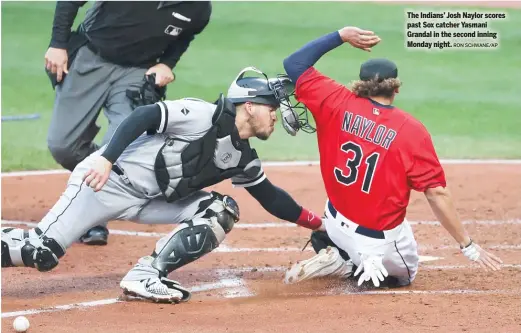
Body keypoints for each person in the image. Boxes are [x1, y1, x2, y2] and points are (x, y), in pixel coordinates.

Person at [1, 67, 326, 303]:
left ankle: (146, 275)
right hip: (106, 182)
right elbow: (143, 116)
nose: (276, 116)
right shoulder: (201, 115)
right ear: (250, 105)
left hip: (148, 201)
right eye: (272, 107)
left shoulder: (242, 157)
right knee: (40, 253)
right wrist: (106, 158)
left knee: (219, 210)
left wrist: (319, 224)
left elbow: (271, 198)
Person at [279, 26, 503, 288]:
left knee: (357, 213)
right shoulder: (411, 130)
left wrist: (341, 35)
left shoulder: (334, 100)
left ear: (360, 85)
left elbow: (293, 63)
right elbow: (436, 194)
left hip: (334, 220)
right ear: (395, 88)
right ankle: (349, 264)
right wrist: (468, 245)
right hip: (377, 244)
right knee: (405, 276)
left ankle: (338, 247)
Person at [44, 1, 212, 245]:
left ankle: (93, 219)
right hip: (90, 57)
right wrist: (58, 43)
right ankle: (98, 181)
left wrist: (167, 63)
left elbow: (185, 35)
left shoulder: (199, 8)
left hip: (137, 73)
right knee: (63, 146)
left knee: (118, 146)